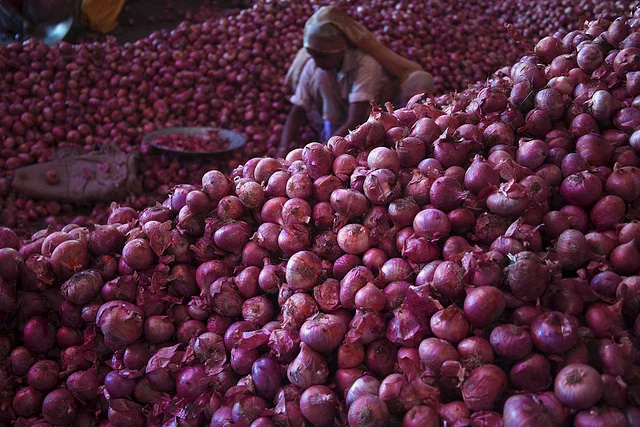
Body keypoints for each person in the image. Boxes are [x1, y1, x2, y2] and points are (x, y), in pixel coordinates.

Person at [277, 6, 434, 158]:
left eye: (323, 56)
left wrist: (324, 151)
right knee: (321, 75)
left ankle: (408, 136)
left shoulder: (366, 64)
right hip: (339, 125)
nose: (317, 62)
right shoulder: (316, 65)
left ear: (340, 49)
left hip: (372, 123)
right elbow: (297, 110)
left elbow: (356, 119)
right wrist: (283, 149)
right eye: (313, 56)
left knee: (420, 80)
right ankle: (331, 142)